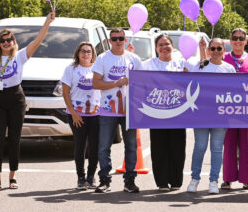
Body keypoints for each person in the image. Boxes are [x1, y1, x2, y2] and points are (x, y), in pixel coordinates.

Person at [0, 12, 55, 190]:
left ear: (13, 42)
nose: (6, 43)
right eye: (3, 40)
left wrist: (47, 23)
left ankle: (12, 176)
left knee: (14, 138)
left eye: (9, 40)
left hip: (15, 98)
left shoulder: (20, 56)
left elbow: (37, 41)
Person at [92, 27, 143, 194]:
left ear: (125, 39)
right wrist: (116, 83)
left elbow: (144, 83)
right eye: (114, 39)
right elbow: (96, 84)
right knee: (104, 146)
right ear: (109, 41)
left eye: (120, 38)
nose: (118, 41)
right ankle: (104, 180)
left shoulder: (134, 59)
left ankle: (129, 181)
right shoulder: (102, 58)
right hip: (108, 110)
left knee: (131, 146)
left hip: (129, 111)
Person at [187, 37, 234, 194]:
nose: (215, 52)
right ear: (208, 50)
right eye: (212, 48)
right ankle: (195, 179)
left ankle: (213, 181)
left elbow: (234, 93)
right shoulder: (200, 65)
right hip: (201, 114)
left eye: (218, 49)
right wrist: (201, 50)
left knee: (216, 149)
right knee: (200, 147)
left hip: (221, 115)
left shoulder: (229, 69)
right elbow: (190, 82)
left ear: (224, 51)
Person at [143, 34, 188, 191]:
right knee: (159, 148)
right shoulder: (149, 64)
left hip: (177, 113)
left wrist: (202, 50)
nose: (164, 47)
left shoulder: (181, 63)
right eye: (160, 44)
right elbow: (134, 76)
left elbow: (198, 73)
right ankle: (161, 182)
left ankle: (176, 181)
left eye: (167, 44)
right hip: (156, 113)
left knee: (177, 148)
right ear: (156, 48)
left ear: (172, 46)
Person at [61, 41, 101, 189]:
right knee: (80, 146)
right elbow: (65, 93)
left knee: (94, 146)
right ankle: (80, 177)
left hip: (96, 114)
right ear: (78, 53)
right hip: (77, 114)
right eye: (83, 51)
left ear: (92, 54)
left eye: (89, 51)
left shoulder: (97, 68)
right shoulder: (71, 69)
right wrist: (73, 113)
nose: (86, 54)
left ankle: (91, 177)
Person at [221, 27, 248, 190]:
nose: (238, 41)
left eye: (241, 38)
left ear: (246, 41)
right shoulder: (222, 57)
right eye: (235, 38)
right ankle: (227, 178)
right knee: (228, 144)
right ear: (230, 40)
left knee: (246, 145)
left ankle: (246, 179)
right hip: (226, 109)